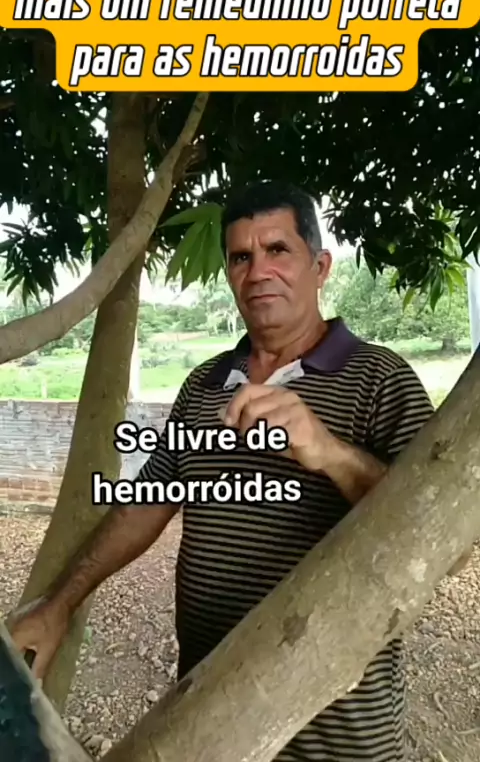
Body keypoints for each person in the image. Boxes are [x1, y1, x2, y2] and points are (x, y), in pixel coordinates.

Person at [7, 181, 470, 761]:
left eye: (278, 250)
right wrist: (59, 604)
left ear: (320, 267)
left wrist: (331, 452)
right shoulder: (203, 386)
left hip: (339, 735)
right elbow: (146, 503)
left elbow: (447, 545)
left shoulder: (382, 381)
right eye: (241, 257)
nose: (258, 272)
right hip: (212, 720)